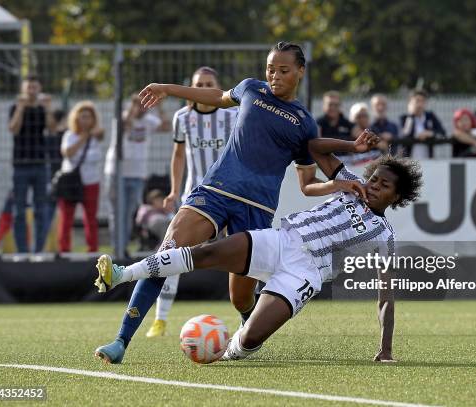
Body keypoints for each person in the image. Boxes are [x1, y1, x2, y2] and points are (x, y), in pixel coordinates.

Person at [94, 42, 348, 364]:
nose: (275, 76)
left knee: (240, 296)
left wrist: (337, 184)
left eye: (283, 70)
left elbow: (306, 183)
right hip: (214, 191)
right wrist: (168, 89)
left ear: (300, 71)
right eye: (271, 68)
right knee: (166, 255)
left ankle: (248, 332)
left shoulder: (304, 123)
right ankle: (120, 342)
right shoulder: (251, 89)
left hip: (257, 209)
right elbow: (216, 97)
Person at [95, 131, 422, 363]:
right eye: (375, 178)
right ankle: (123, 273)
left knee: (252, 338)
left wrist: (386, 348)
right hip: (283, 241)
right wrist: (349, 149)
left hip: (304, 275)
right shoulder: (351, 184)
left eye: (385, 184)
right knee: (208, 252)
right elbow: (314, 146)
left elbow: (385, 297)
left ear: (398, 197)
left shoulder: (385, 237)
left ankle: (229, 350)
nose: (375, 185)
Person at [146, 66, 237, 338]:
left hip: (230, 196)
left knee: (244, 255)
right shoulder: (182, 118)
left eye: (210, 83)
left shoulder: (231, 115)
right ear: (192, 88)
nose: (205, 88)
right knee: (171, 253)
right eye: (200, 83)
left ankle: (249, 320)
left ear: (218, 87)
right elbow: (178, 155)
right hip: (195, 197)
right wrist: (174, 191)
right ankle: (160, 319)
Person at [104, 94, 169, 252]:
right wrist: (132, 110)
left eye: (144, 105)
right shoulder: (123, 117)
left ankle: (123, 246)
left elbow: (167, 126)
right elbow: (124, 126)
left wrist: (159, 107)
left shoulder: (149, 120)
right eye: (138, 105)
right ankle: (117, 247)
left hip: (137, 174)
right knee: (117, 212)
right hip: (116, 173)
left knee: (130, 212)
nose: (142, 108)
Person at [8, 75, 55, 253]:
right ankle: (22, 251)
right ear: (23, 90)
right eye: (28, 88)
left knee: (40, 210)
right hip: (20, 164)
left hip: (40, 164)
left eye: (34, 88)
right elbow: (13, 128)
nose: (31, 92)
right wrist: (21, 107)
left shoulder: (43, 109)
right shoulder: (15, 107)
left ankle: (38, 251)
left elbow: (52, 129)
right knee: (19, 210)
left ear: (39, 89)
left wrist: (48, 107)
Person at [57, 101, 104, 252]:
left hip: (91, 182)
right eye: (82, 117)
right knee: (66, 219)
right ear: (76, 118)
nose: (85, 120)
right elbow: (68, 154)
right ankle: (64, 251)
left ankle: (93, 251)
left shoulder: (97, 138)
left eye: (88, 117)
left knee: (90, 219)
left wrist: (82, 147)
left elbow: (96, 157)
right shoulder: (69, 135)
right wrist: (83, 138)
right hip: (70, 183)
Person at [399, 90, 446, 158]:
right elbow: (405, 135)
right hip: (408, 161)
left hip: (428, 160)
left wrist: (430, 133)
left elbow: (442, 133)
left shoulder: (431, 117)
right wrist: (411, 116)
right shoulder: (404, 118)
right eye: (417, 101)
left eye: (423, 101)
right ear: (410, 103)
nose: (420, 104)